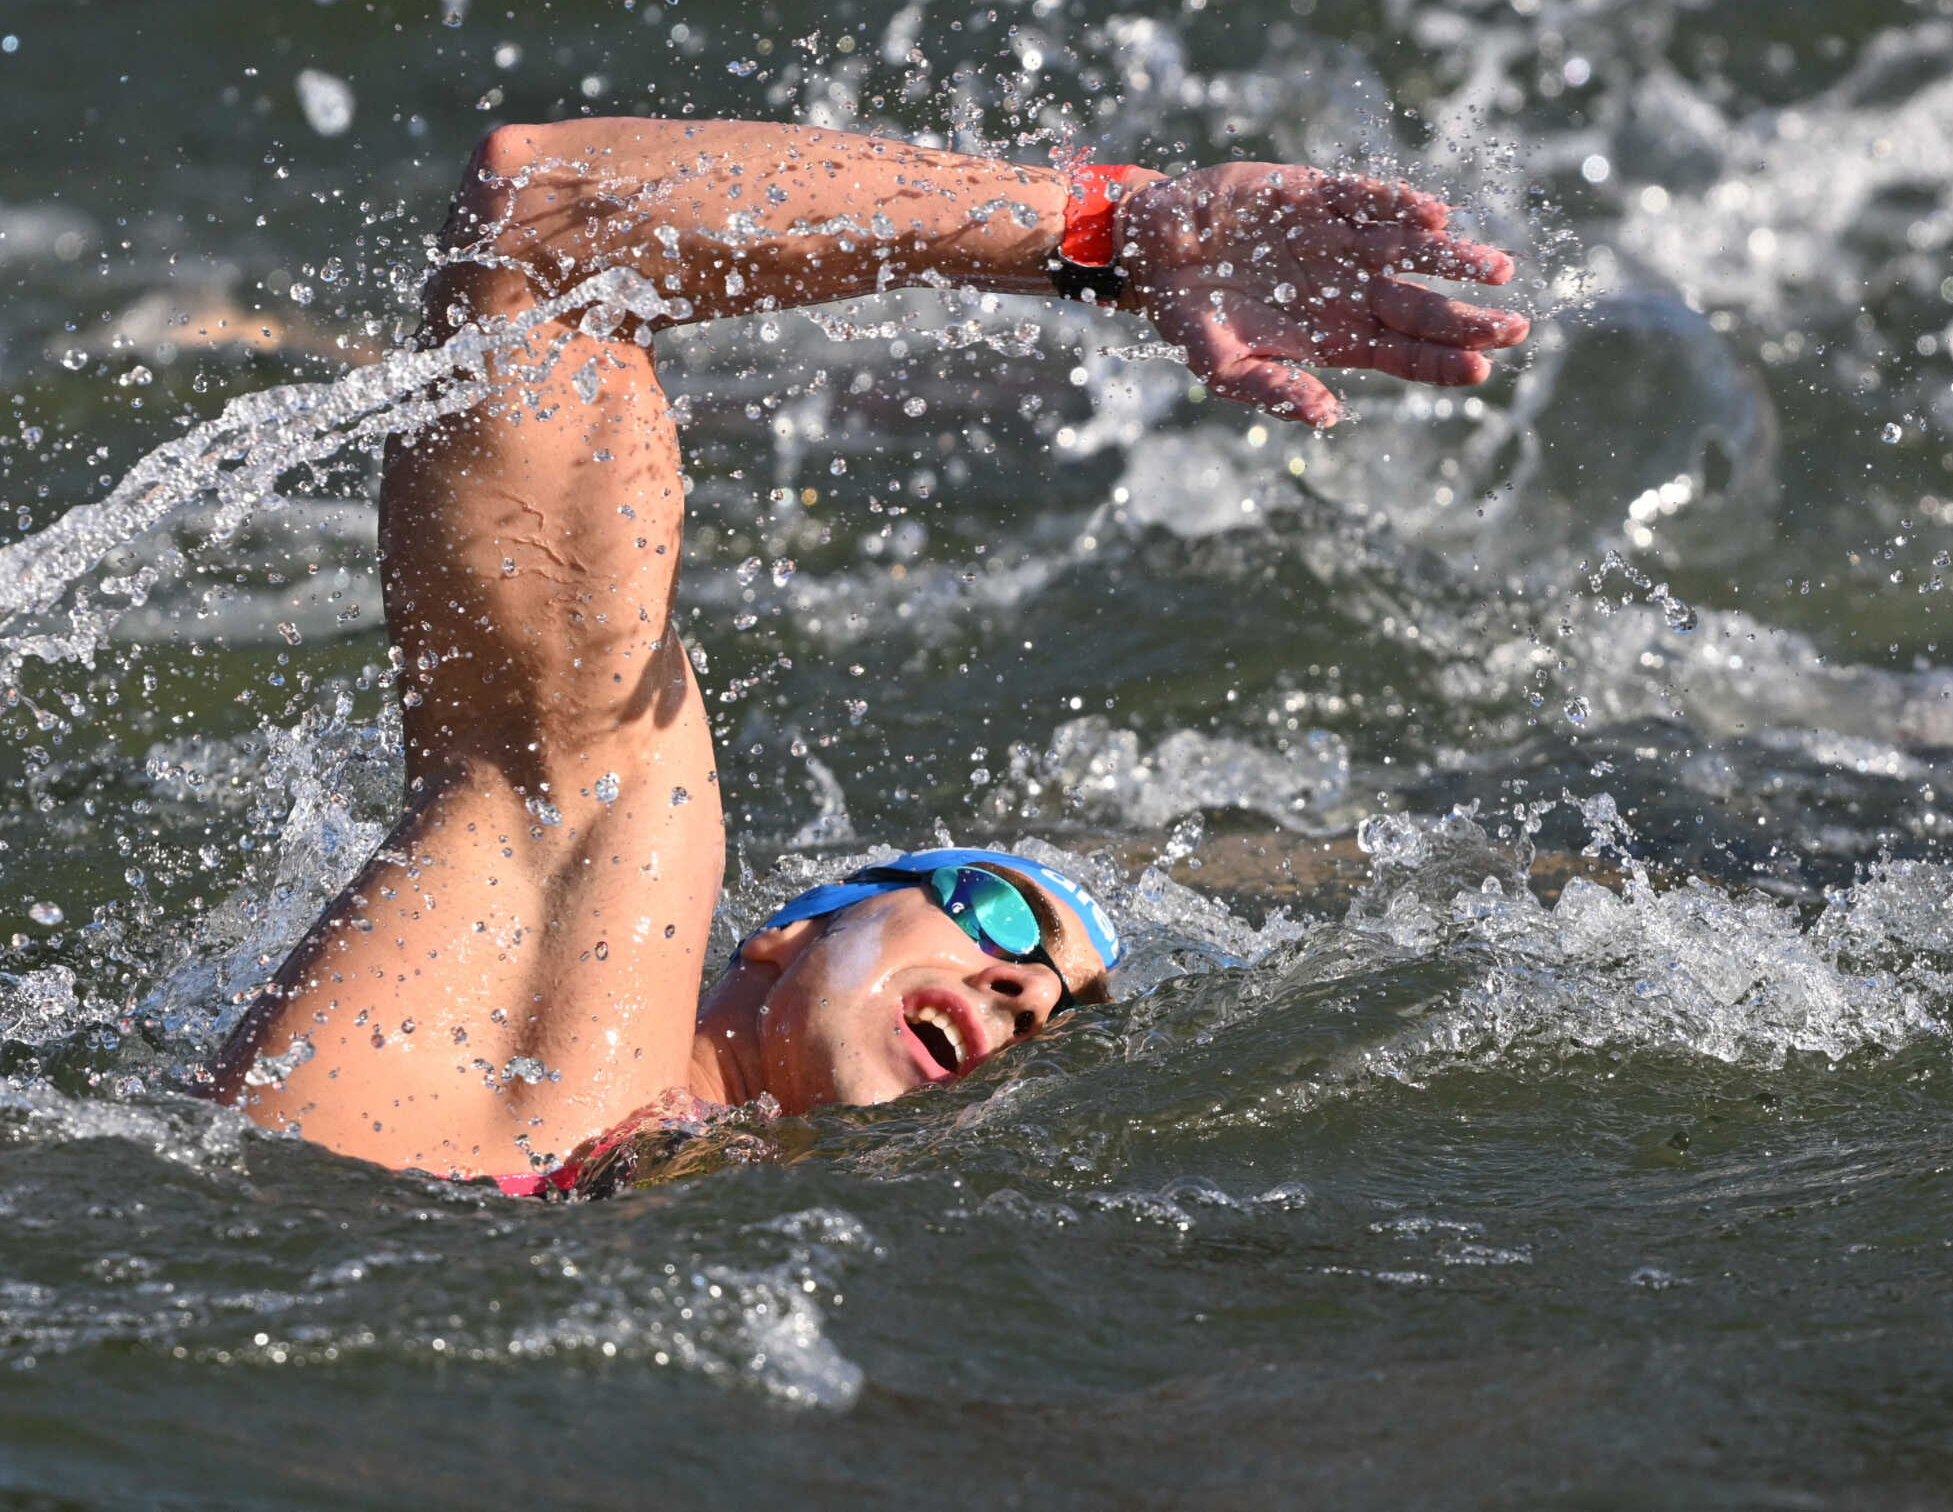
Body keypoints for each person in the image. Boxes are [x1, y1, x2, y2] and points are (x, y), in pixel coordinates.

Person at [209, 118, 1527, 1188]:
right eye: (1003, 916)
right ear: (786, 935)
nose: (1021, 994)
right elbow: (536, 223)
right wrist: (1107, 231)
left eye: (1058, 1016)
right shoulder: (569, 961)